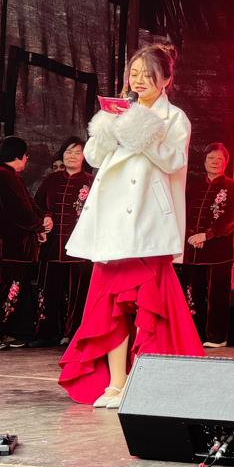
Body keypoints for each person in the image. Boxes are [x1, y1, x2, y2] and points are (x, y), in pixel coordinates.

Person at [59, 44, 203, 408]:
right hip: (112, 229)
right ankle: (115, 384)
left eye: (148, 75)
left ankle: (145, 382)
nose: (138, 81)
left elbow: (172, 161)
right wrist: (108, 126)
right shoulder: (118, 112)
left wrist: (140, 129)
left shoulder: (175, 118)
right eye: (134, 73)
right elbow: (92, 157)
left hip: (147, 227)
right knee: (109, 308)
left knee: (146, 309)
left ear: (167, 80)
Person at [0, 136, 50, 349]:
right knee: (6, 288)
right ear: (18, 155)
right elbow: (20, 210)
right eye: (26, 155)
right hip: (6, 248)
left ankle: (1, 330)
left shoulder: (9, 176)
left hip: (14, 248)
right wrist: (39, 226)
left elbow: (28, 205)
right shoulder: (3, 176)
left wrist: (41, 220)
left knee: (14, 289)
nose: (27, 159)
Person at [178, 142, 234, 348]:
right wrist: (191, 236)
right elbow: (184, 213)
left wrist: (206, 236)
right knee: (193, 293)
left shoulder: (232, 187)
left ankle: (216, 337)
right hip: (193, 250)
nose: (215, 162)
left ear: (226, 162)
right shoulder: (194, 186)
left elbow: (231, 219)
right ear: (204, 161)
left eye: (220, 159)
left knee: (217, 295)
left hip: (218, 251)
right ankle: (196, 335)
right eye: (211, 158)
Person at [35, 135, 93, 346]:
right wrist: (44, 217)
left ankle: (73, 334)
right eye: (68, 152)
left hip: (79, 249)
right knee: (48, 291)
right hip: (51, 247)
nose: (72, 156)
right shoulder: (51, 180)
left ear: (85, 156)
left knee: (77, 295)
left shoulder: (91, 181)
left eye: (77, 152)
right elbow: (37, 205)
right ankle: (45, 334)